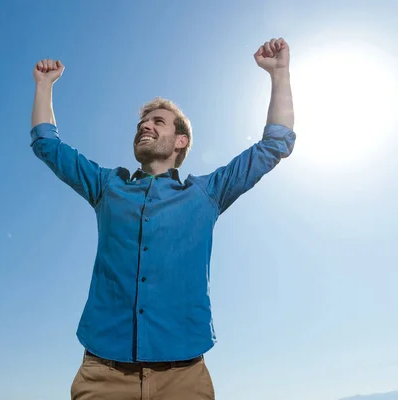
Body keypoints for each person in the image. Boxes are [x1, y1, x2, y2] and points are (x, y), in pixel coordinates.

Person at [30, 37, 295, 400]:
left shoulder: (206, 194)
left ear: (181, 141)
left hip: (183, 374)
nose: (145, 126)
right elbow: (47, 144)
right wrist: (44, 85)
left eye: (158, 121)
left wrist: (279, 74)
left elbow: (274, 145)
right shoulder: (107, 187)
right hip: (103, 372)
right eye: (142, 123)